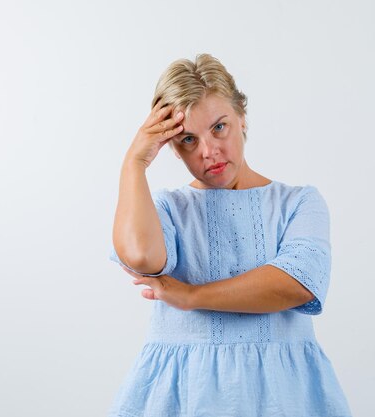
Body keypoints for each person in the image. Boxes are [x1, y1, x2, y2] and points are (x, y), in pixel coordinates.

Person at [108, 54, 352, 417]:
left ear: (242, 117)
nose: (209, 152)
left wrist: (191, 296)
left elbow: (298, 283)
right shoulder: (169, 209)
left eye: (219, 127)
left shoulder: (298, 202)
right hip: (184, 394)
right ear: (172, 148)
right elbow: (141, 257)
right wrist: (134, 163)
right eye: (188, 139)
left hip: (284, 394)